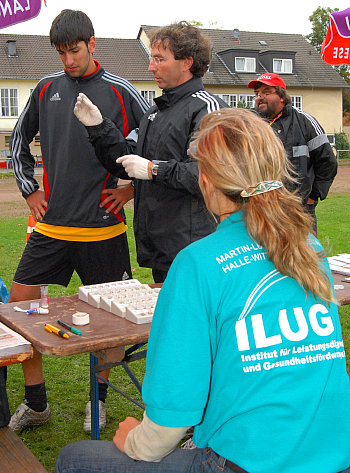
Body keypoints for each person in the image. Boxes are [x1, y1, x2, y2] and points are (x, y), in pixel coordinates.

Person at [56, 108, 350, 473]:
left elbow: (170, 419)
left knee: (73, 459)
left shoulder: (199, 263)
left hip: (245, 463)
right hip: (331, 455)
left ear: (206, 181)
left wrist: (133, 439)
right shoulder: (307, 245)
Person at [8, 9, 149, 433]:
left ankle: (99, 400)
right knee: (17, 310)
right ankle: (36, 405)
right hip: (51, 229)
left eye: (74, 50)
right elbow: (17, 139)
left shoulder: (121, 90)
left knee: (114, 324)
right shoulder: (46, 87)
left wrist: (130, 189)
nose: (68, 59)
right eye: (61, 52)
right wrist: (29, 188)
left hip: (103, 229)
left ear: (92, 43)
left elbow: (155, 142)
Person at [74, 21, 227, 283]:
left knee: (194, 321)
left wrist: (153, 169)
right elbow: (126, 162)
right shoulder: (154, 113)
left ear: (187, 62)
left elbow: (209, 175)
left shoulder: (207, 108)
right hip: (162, 247)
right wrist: (99, 128)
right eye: (151, 59)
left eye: (159, 59)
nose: (150, 67)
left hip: (195, 246)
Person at [248, 72, 337, 232]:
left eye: (266, 92)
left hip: (299, 210)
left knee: (303, 255)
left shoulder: (304, 121)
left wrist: (312, 197)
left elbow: (327, 161)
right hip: (260, 212)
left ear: (282, 97)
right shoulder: (248, 124)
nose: (260, 97)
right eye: (257, 94)